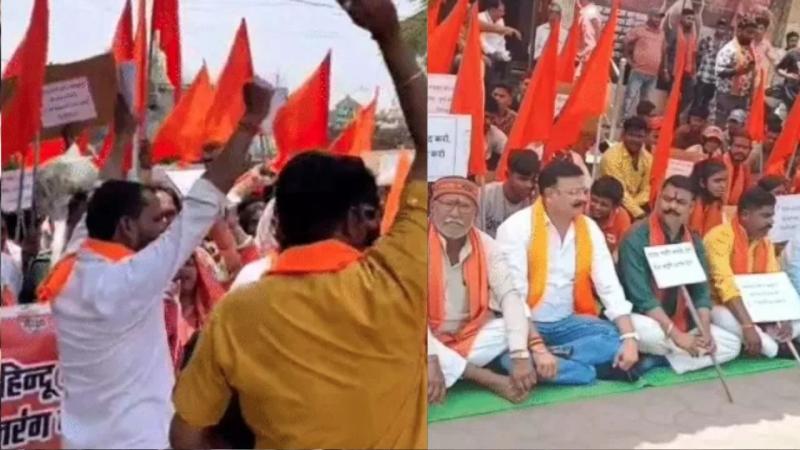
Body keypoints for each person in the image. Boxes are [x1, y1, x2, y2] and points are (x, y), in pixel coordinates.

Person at [170, 1, 428, 447]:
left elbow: (185, 437)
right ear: (357, 218)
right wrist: (388, 36)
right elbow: (435, 144)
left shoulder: (236, 312)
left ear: (279, 226)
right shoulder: (397, 278)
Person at [34, 80, 273, 449]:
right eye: (156, 219)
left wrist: (123, 134)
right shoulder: (130, 279)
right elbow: (203, 201)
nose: (164, 228)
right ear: (127, 227)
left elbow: (101, 192)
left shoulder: (76, 258)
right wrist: (250, 121)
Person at [496, 161, 640, 386]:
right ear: (550, 195)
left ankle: (554, 360)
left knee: (614, 337)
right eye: (573, 193)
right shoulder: (515, 228)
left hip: (567, 323)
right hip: (526, 324)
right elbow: (513, 297)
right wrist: (537, 346)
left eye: (584, 191)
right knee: (510, 356)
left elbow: (608, 285)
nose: (583, 198)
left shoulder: (589, 228)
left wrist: (629, 339)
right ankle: (581, 369)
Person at [427, 177, 556, 405]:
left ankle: (448, 369)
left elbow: (509, 297)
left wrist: (520, 355)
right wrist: (430, 357)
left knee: (513, 325)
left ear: (475, 212)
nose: (455, 213)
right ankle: (485, 377)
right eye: (448, 203)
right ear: (432, 206)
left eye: (464, 206)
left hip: (466, 337)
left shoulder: (487, 245)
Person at [618, 176, 741, 374]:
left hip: (682, 320)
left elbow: (701, 292)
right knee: (652, 335)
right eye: (667, 199)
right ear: (658, 198)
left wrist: (705, 330)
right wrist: (675, 334)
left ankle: (662, 360)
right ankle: (675, 349)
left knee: (731, 344)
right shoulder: (636, 237)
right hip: (645, 318)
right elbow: (642, 298)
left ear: (691, 207)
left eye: (680, 202)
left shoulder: (693, 241)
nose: (672, 206)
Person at [706, 187, 800, 359]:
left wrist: (785, 317)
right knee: (730, 320)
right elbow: (725, 286)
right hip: (721, 306)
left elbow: (774, 282)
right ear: (745, 215)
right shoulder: (718, 238)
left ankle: (771, 337)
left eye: (772, 216)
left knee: (796, 315)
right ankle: (776, 349)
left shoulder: (765, 243)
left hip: (758, 306)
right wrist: (747, 326)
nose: (771, 222)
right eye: (765, 216)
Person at [599, 116, 653, 220]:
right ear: (623, 135)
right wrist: (640, 214)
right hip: (610, 206)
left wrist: (635, 208)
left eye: (639, 136)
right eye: (631, 135)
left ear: (645, 137)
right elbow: (618, 192)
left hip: (636, 207)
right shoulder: (611, 157)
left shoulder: (648, 158)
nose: (635, 140)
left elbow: (648, 188)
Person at [477, 150, 540, 238]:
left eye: (533, 180)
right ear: (507, 174)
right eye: (523, 179)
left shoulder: (535, 201)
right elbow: (475, 235)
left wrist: (536, 208)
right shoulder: (484, 195)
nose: (529, 185)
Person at [714, 15, 758, 127]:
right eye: (749, 32)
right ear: (739, 30)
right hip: (727, 95)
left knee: (738, 126)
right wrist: (737, 71)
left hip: (742, 96)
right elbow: (720, 71)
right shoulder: (729, 49)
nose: (751, 36)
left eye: (753, 33)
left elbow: (751, 72)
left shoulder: (750, 49)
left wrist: (751, 93)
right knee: (721, 125)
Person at [623, 9, 665, 119]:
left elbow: (663, 51)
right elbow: (626, 42)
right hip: (638, 71)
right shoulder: (639, 30)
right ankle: (623, 120)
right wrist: (629, 59)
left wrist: (663, 69)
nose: (658, 20)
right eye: (656, 17)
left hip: (653, 74)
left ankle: (641, 122)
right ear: (649, 16)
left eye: (660, 18)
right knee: (630, 96)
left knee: (645, 101)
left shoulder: (661, 33)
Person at [662, 7, 698, 115]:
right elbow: (665, 51)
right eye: (688, 18)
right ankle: (670, 118)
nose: (690, 21)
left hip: (686, 72)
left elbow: (693, 53)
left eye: (692, 19)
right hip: (673, 71)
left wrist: (694, 71)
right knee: (673, 97)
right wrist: (665, 70)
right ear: (682, 18)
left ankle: (675, 115)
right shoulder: (674, 32)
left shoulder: (692, 34)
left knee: (689, 96)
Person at [693, 18, 732, 113]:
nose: (721, 29)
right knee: (697, 100)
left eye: (723, 28)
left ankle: (701, 119)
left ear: (725, 30)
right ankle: (692, 118)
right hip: (704, 75)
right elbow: (699, 54)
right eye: (719, 27)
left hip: (715, 78)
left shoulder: (727, 44)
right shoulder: (707, 39)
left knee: (707, 102)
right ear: (716, 27)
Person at [587, 175, 631, 254]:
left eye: (604, 205)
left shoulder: (622, 218)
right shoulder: (581, 209)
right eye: (594, 200)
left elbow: (623, 251)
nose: (597, 207)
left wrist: (611, 249)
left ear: (615, 207)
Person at [689, 158, 729, 237]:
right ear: (702, 182)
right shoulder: (688, 206)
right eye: (717, 181)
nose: (723, 186)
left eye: (725, 180)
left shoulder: (718, 205)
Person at [479, 0, 514, 80]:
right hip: (484, 51)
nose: (503, 14)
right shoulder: (480, 18)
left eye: (503, 11)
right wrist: (494, 52)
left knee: (508, 60)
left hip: (496, 52)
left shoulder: (501, 20)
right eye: (500, 11)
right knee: (490, 61)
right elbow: (481, 41)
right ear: (492, 9)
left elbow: (501, 39)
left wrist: (503, 53)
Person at [723, 130, 754, 205]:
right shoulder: (718, 162)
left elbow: (747, 194)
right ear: (730, 146)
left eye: (745, 148)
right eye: (737, 146)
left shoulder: (745, 169)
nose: (740, 150)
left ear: (750, 150)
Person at [485, 95, 509, 171]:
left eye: (492, 118)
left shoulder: (496, 134)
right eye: (486, 116)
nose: (488, 122)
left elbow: (508, 155)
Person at [577, 0, 602, 69]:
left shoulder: (591, 10)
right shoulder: (582, 8)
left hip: (587, 50)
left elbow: (597, 29)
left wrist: (597, 48)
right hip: (580, 49)